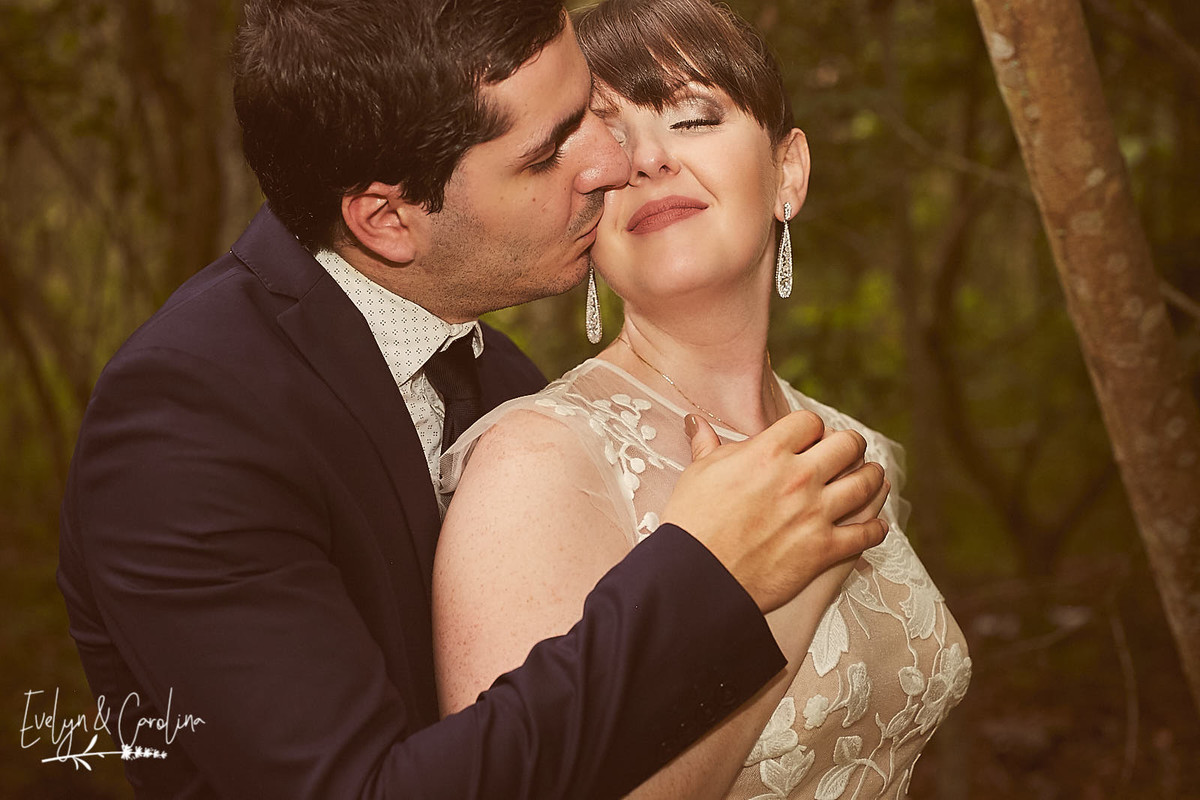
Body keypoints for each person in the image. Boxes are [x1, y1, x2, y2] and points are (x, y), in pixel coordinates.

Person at [56, 1, 890, 797]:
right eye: (550, 148)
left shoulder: (500, 379)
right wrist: (711, 576)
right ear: (387, 219)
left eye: (583, 112)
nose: (612, 162)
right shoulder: (189, 423)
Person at [433, 0, 971, 797]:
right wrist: (774, 592)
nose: (647, 159)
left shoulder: (858, 450)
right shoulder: (536, 462)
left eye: (691, 117)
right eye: (608, 135)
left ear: (788, 171)